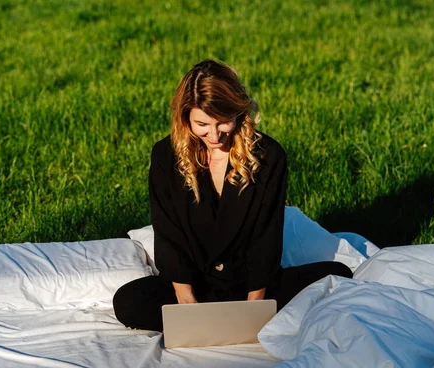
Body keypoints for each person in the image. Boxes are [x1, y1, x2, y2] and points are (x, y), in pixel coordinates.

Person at [113, 60, 352, 332]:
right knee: (128, 301)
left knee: (338, 275)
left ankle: (221, 322)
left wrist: (254, 308)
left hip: (250, 286)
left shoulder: (268, 155)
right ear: (185, 118)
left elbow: (267, 235)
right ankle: (208, 320)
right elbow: (168, 233)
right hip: (193, 288)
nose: (214, 135)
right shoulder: (165, 156)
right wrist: (185, 300)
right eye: (202, 124)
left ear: (238, 113)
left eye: (223, 122)